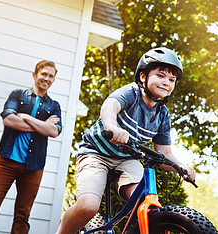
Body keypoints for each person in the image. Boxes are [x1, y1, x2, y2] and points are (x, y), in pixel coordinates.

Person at [57, 47, 196, 234]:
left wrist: (181, 167)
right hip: (96, 154)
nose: (166, 82)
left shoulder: (163, 115)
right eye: (160, 76)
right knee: (88, 206)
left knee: (146, 205)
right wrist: (112, 127)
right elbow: (110, 105)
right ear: (143, 77)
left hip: (128, 159)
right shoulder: (132, 93)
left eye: (171, 80)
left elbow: (165, 152)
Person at [0, 60, 62, 234]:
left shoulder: (54, 106)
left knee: (23, 215)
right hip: (6, 161)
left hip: (34, 167)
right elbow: (8, 120)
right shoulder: (18, 95)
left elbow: (53, 131)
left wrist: (26, 118)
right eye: (44, 74)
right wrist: (41, 126)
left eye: (51, 76)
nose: (47, 78)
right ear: (35, 75)